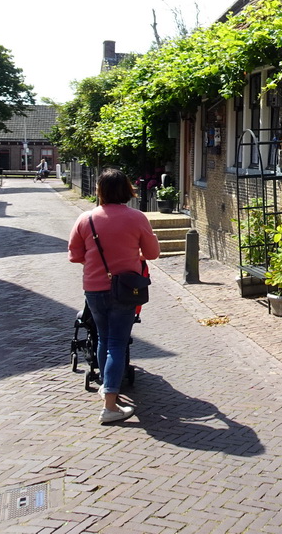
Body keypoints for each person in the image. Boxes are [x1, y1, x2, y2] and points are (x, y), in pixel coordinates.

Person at [68, 168, 160, 424]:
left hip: (94, 289)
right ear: (126, 190)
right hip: (125, 289)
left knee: (103, 340)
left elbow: (74, 256)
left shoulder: (85, 219)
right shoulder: (137, 218)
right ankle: (110, 404)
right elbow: (152, 253)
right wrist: (132, 254)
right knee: (118, 344)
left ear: (100, 191)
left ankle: (106, 387)